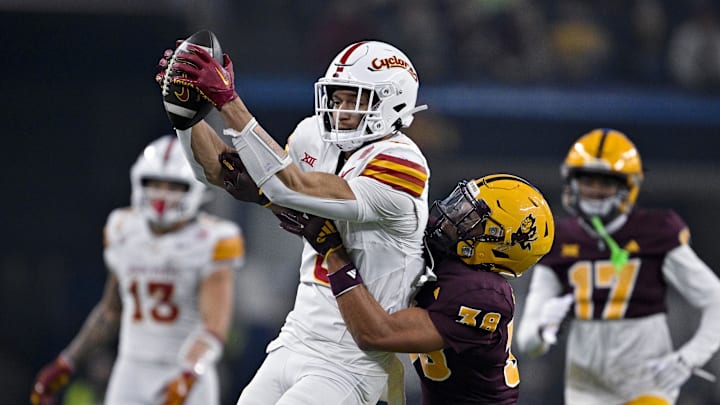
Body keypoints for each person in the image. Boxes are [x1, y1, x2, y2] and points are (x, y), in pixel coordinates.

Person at [157, 40, 430, 404]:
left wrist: (227, 101)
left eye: (356, 100)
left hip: (351, 359)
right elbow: (225, 173)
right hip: (296, 336)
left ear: (394, 103)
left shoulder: (403, 163)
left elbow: (290, 186)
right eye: (338, 98)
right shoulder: (314, 136)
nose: (342, 110)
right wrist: (185, 115)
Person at [277, 173, 556, 404]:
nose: (455, 214)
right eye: (462, 204)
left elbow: (375, 333)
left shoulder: (482, 294)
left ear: (502, 245)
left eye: (473, 218)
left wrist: (334, 253)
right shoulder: (448, 246)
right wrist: (272, 193)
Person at [30, 135, 245, 405]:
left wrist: (189, 374)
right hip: (131, 370)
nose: (162, 194)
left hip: (183, 371)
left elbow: (214, 328)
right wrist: (67, 361)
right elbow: (110, 312)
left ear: (193, 189)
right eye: (154, 183)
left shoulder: (214, 239)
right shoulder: (123, 229)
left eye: (173, 186)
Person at [516, 128, 720, 405]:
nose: (596, 191)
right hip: (585, 385)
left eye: (606, 182)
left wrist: (689, 358)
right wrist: (544, 329)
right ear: (572, 182)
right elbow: (527, 343)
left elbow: (715, 298)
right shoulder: (559, 239)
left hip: (647, 381)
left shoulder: (655, 232)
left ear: (628, 187)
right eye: (588, 181)